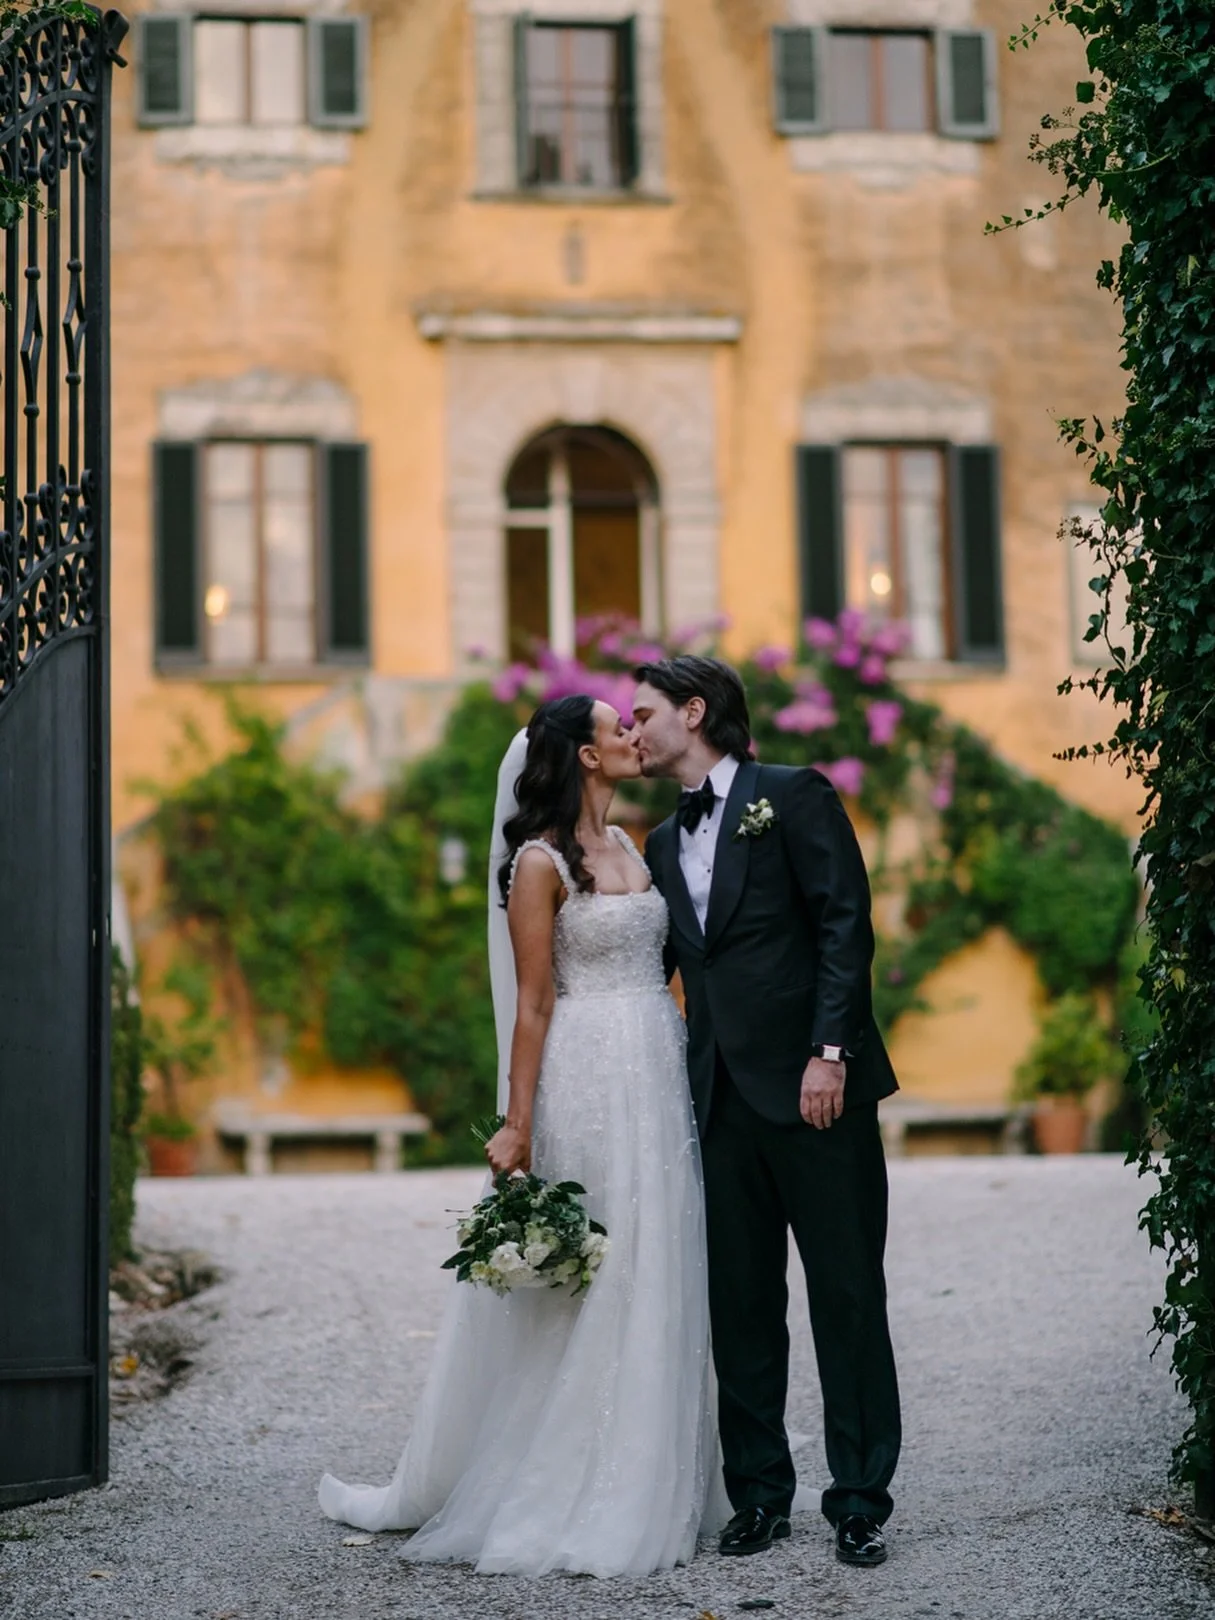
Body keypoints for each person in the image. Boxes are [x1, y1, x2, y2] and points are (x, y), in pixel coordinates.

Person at [318, 694, 728, 1576]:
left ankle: (661, 1469)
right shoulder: (538, 864)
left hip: (654, 1070)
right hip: (586, 1071)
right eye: (617, 727)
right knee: (591, 1271)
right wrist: (517, 1122)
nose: (631, 737)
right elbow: (535, 1001)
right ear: (582, 756)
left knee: (659, 1258)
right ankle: (566, 1479)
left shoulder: (632, 846)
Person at [632, 655, 902, 1569]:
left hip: (813, 1094)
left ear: (694, 711)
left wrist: (830, 1054)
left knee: (846, 1295)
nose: (632, 730)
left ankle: (859, 1499)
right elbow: (658, 969)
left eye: (643, 713)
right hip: (715, 1102)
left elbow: (843, 923)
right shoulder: (662, 844)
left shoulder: (791, 795)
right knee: (740, 1306)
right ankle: (758, 1495)